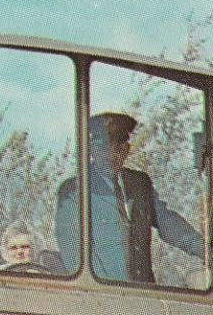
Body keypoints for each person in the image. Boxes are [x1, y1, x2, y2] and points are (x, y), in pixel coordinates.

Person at [55, 111, 203, 283]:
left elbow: (169, 224)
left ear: (127, 150)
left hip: (143, 296)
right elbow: (73, 252)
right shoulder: (75, 191)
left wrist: (209, 253)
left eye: (117, 148)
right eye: (103, 148)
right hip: (101, 299)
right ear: (92, 149)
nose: (110, 155)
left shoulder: (140, 184)